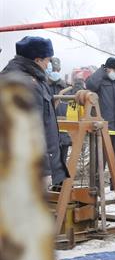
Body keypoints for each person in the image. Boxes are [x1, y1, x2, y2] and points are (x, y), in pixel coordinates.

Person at [1, 36, 67, 187]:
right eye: (47, 60)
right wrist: (43, 170)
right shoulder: (26, 84)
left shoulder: (31, 79)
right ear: (37, 60)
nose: (48, 64)